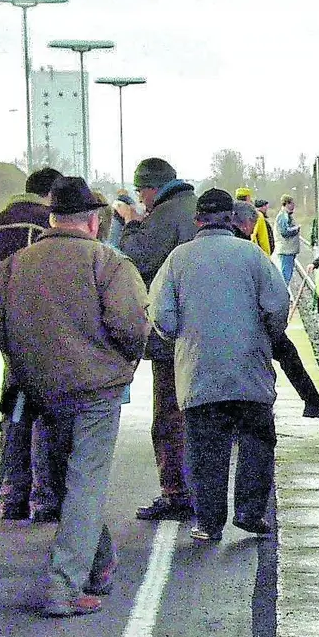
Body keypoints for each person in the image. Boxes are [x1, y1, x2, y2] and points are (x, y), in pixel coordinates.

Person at [0, 176, 149, 616]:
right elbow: (133, 327)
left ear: (51, 218)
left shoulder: (12, 268)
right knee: (85, 485)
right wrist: (117, 361)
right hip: (97, 391)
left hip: (42, 390)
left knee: (65, 482)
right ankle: (63, 586)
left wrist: (31, 366)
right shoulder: (108, 264)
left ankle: (99, 564)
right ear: (94, 222)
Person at [150, 189, 289, 541]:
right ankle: (250, 513)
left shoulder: (177, 260)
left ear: (197, 220)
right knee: (257, 441)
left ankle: (208, 523)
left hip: (199, 375)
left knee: (205, 448)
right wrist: (265, 336)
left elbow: (161, 315)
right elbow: (278, 305)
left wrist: (182, 342)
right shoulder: (253, 256)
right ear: (230, 219)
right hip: (250, 374)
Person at [116, 157, 199, 522]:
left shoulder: (163, 216)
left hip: (172, 338)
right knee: (202, 414)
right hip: (206, 336)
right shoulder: (192, 208)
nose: (141, 199)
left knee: (168, 416)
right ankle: (203, 493)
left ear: (150, 188)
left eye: (140, 192)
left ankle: (176, 493)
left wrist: (131, 224)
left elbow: (133, 258)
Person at [0, 166, 62, 521]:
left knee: (14, 410)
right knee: (45, 414)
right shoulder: (46, 224)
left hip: (4, 329)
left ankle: (13, 495)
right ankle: (45, 498)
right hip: (42, 329)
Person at [233, 202, 319, 421]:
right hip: (252, 322)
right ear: (244, 223)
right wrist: (274, 326)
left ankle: (313, 404)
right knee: (287, 355)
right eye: (253, 224)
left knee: (287, 354)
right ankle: (313, 404)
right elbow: (277, 295)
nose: (253, 230)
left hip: (238, 322)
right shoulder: (247, 250)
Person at [235, 187, 273, 254]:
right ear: (248, 198)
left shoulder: (231, 214)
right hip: (253, 253)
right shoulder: (257, 215)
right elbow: (263, 240)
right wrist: (267, 257)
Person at [275, 194, 303, 284]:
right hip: (286, 250)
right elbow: (285, 231)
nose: (293, 206)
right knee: (285, 275)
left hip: (288, 249)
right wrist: (296, 229)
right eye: (292, 204)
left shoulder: (286, 215)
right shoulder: (283, 216)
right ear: (286, 204)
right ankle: (283, 296)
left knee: (287, 273)